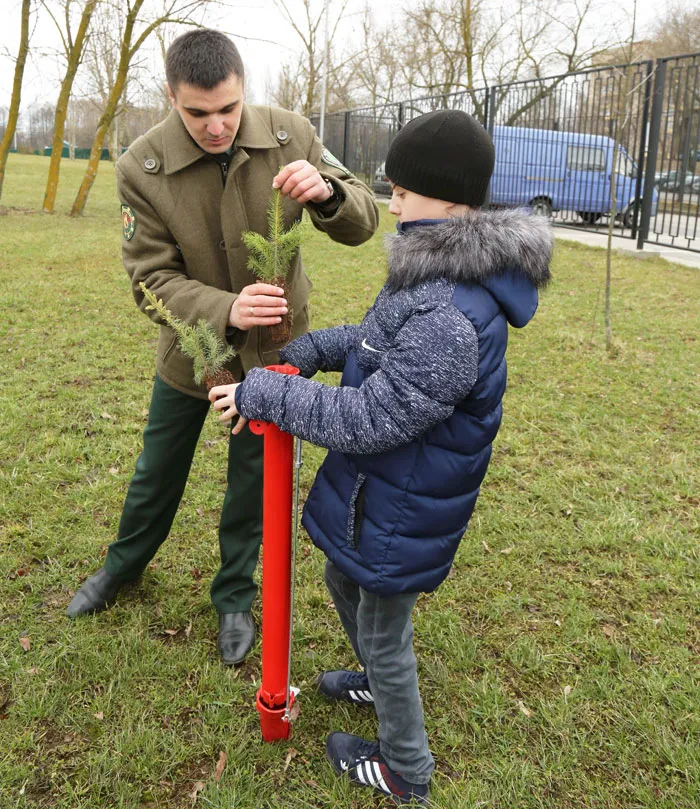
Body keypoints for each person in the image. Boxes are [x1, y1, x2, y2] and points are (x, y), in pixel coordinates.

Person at [207, 109, 552, 804]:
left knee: (383, 624)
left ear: (449, 200)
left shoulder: (453, 314)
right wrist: (307, 351)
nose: (389, 200)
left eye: (401, 190)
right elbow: (373, 339)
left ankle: (405, 768)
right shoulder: (432, 267)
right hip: (383, 495)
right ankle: (373, 672)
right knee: (344, 580)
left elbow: (372, 418)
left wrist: (266, 396)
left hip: (404, 505)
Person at [65, 28, 379, 668]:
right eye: (198, 112)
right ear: (173, 97)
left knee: (252, 482)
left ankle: (234, 596)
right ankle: (122, 567)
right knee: (157, 472)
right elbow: (149, 280)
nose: (217, 126)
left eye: (229, 109)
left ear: (244, 89)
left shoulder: (292, 134)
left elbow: (365, 218)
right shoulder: (141, 167)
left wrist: (328, 193)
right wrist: (225, 308)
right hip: (193, 352)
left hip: (275, 352)